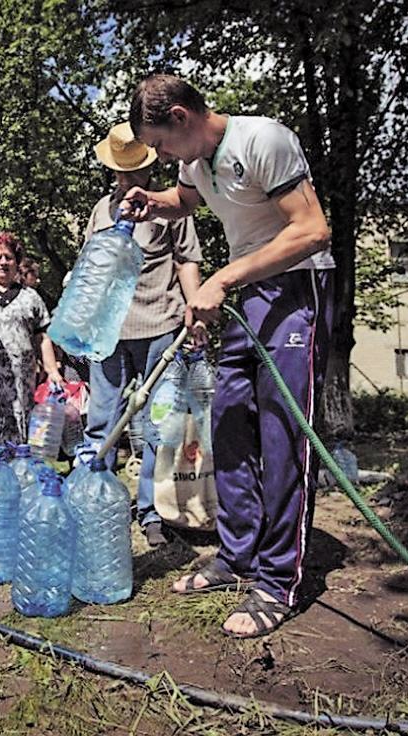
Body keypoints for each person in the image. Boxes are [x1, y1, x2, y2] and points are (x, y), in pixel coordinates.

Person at [122, 74, 334, 638]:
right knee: (229, 425)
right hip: (248, 294)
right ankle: (238, 554)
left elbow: (313, 231)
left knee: (282, 436)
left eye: (161, 143)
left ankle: (277, 580)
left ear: (183, 118)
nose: (160, 156)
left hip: (295, 290)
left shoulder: (263, 140)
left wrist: (221, 277)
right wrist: (152, 202)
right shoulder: (196, 165)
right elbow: (183, 200)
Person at [83, 120, 202, 547]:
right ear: (113, 170)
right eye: (122, 170)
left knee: (157, 425)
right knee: (102, 420)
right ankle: (93, 501)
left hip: (160, 327)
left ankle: (152, 511)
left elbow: (187, 260)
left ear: (150, 167)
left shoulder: (172, 206)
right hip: (108, 334)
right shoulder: (101, 211)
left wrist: (196, 313)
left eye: (137, 170)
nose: (129, 178)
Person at [0, 232, 62, 445]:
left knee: (20, 431)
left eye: (9, 258)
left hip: (21, 381)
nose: (3, 263)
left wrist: (52, 371)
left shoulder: (30, 297)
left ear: (17, 263)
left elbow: (43, 336)